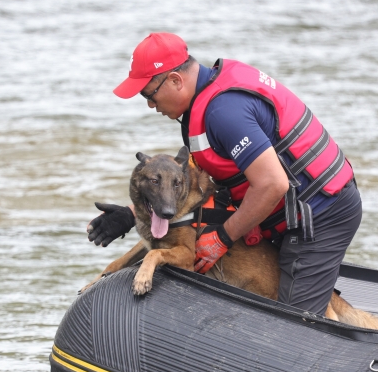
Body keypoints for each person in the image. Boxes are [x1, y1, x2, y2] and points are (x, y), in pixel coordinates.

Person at [87, 32, 361, 316]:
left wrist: (222, 238)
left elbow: (273, 184)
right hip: (285, 213)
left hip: (322, 212)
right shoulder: (202, 102)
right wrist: (133, 214)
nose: (149, 105)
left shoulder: (223, 112)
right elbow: (193, 187)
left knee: (295, 323)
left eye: (149, 94)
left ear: (175, 80)